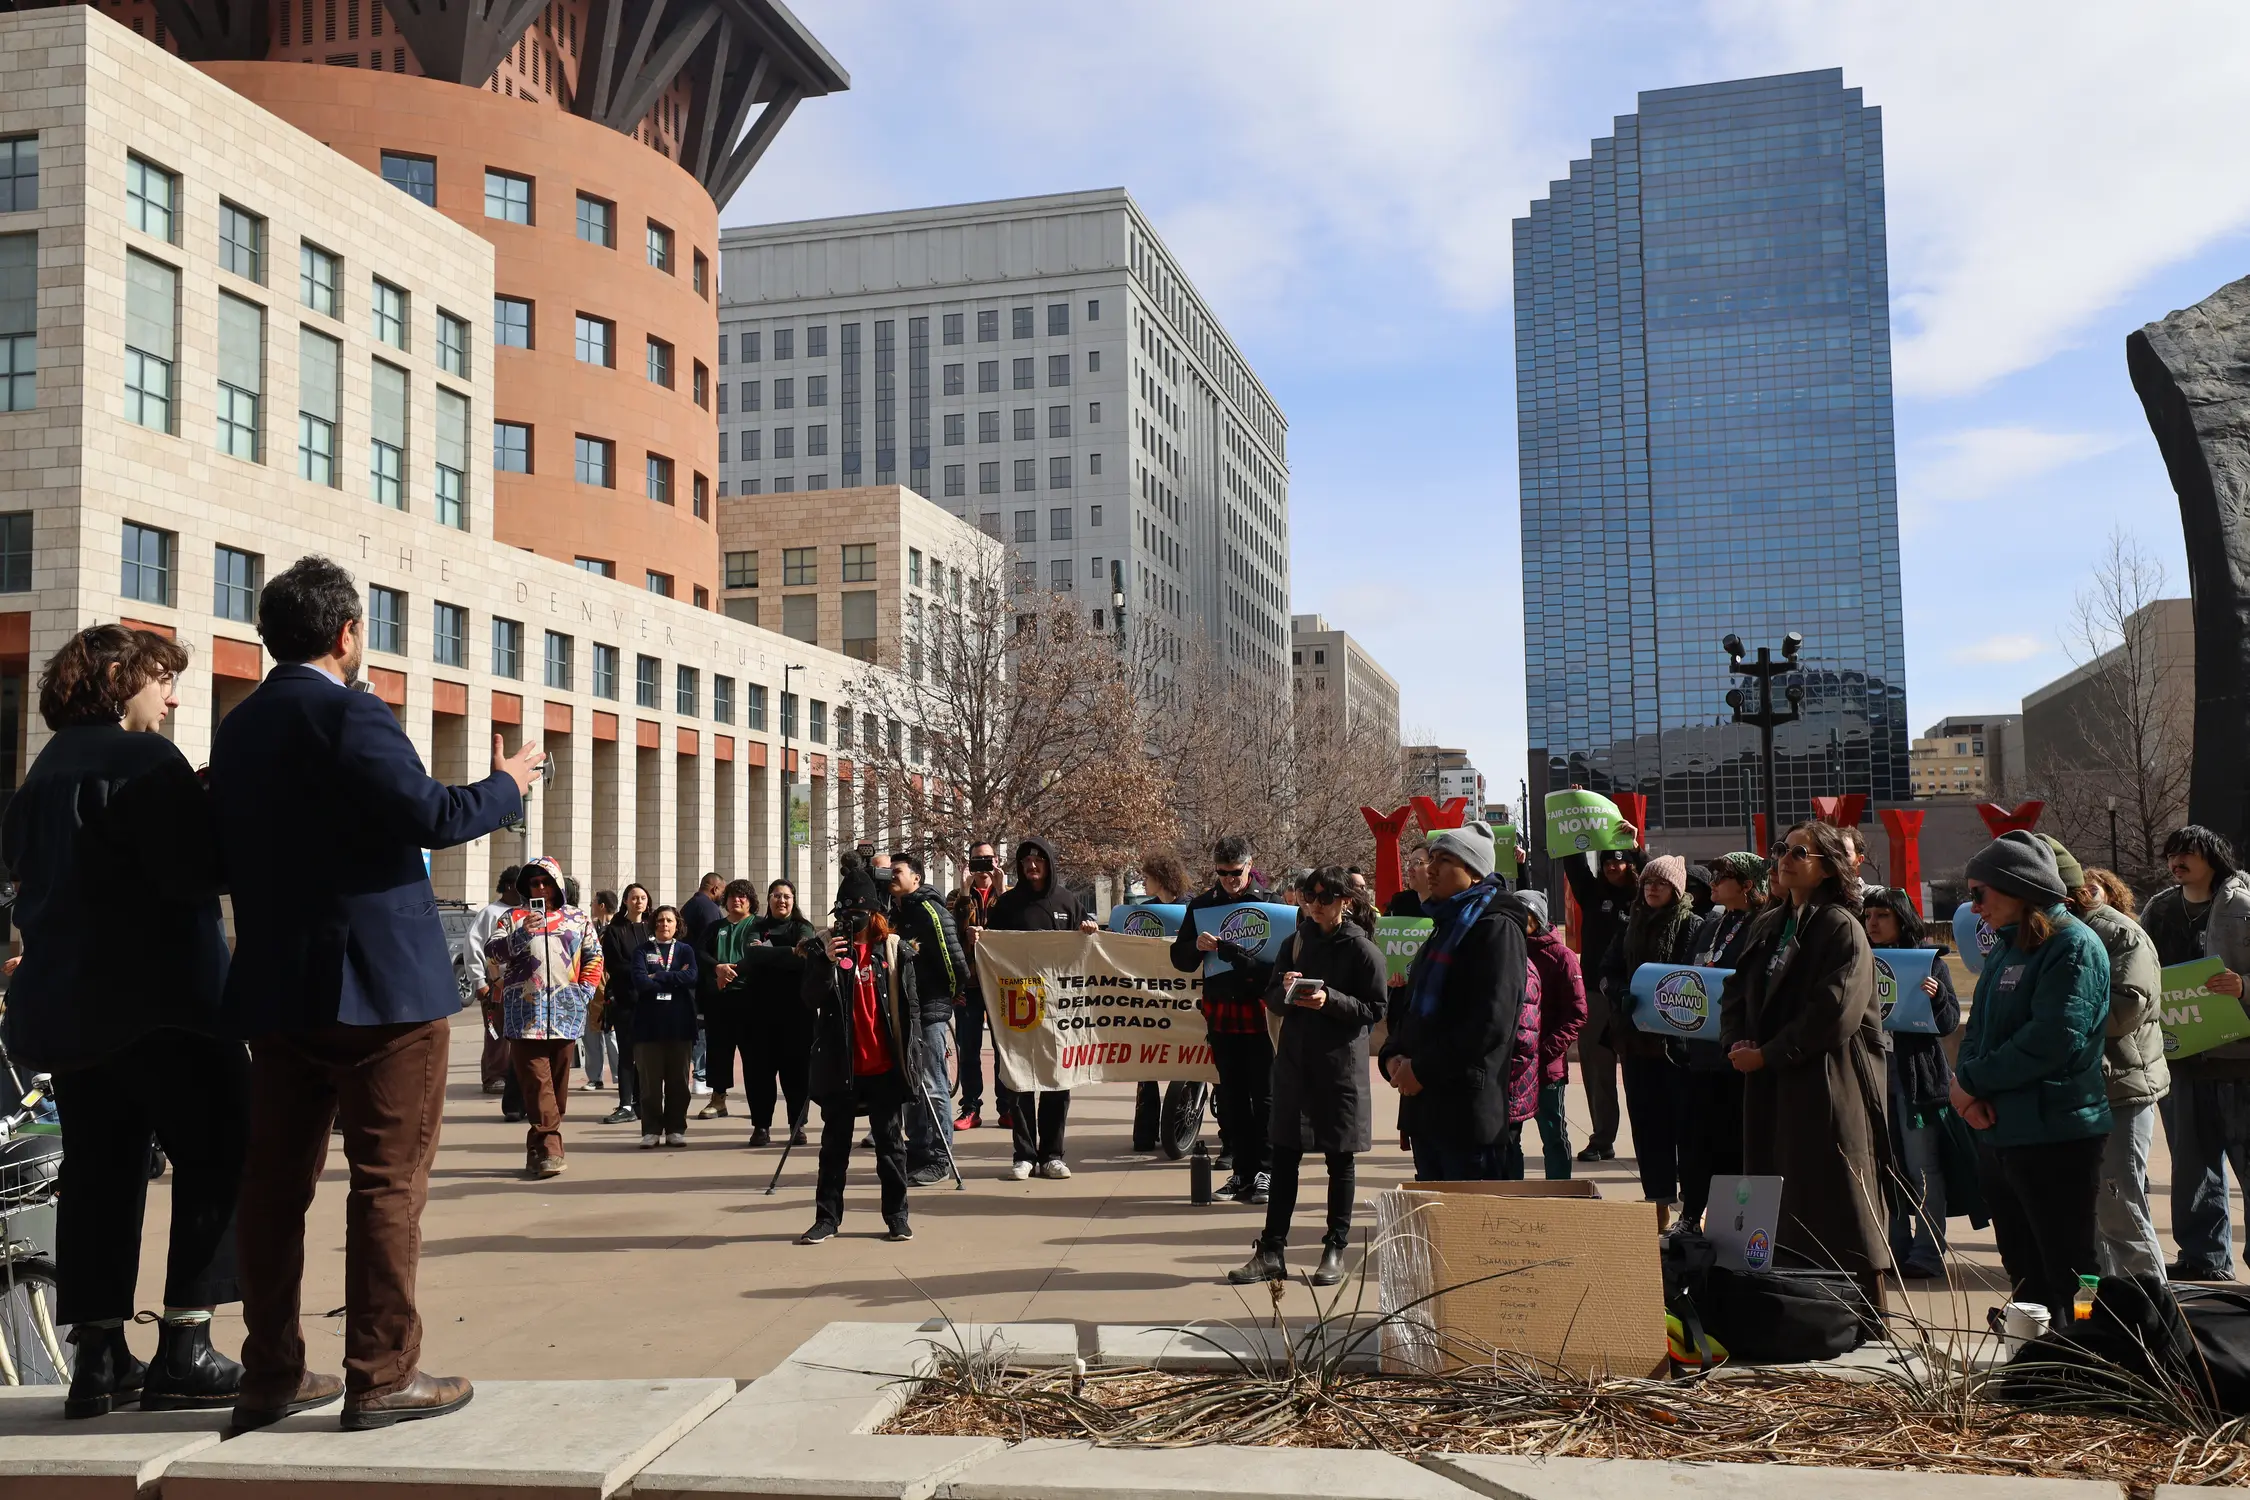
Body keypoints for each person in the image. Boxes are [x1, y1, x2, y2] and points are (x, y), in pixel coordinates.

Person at [212, 555, 540, 1430]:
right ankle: (382, 1373)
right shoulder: (352, 711)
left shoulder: (240, 730)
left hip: (280, 992)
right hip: (383, 994)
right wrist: (510, 782)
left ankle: (271, 1373)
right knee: (387, 1185)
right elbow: (435, 816)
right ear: (346, 633)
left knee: (276, 1185)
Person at [2, 626, 243, 1418]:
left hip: (70, 1014)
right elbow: (193, 873)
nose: (172, 697)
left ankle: (99, 1356)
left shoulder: (43, 772)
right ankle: (188, 1343)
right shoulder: (147, 761)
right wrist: (216, 810)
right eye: (162, 680)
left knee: (100, 1176)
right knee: (222, 1154)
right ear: (118, 677)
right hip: (164, 1006)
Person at [1718, 820, 1892, 1307]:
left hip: (1825, 1083)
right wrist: (1737, 1040)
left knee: (1834, 1195)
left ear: (1829, 867)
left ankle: (1859, 1310)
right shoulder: (1768, 923)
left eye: (1801, 853)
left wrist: (1769, 1053)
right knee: (1777, 1194)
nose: (1786, 859)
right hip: (1771, 1082)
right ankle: (1789, 1307)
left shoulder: (1841, 926)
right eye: (1782, 850)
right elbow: (1736, 989)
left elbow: (1835, 1011)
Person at [1952, 832, 2112, 1324]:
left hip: (2058, 1133)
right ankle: (2038, 1350)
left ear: (2017, 888)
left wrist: (1974, 1082)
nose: (1973, 906)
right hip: (2004, 1132)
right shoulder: (2006, 947)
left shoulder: (2074, 946)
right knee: (2022, 1263)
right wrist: (1968, 1095)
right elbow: (1977, 1029)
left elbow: (2052, 1039)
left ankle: (2089, 1349)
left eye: (1980, 893)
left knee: (2074, 1266)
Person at [1231, 867, 1385, 1285]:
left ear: (1345, 903)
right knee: (1283, 1157)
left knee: (1341, 1159)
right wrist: (1285, 988)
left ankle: (1335, 1246)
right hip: (1295, 1065)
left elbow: (1374, 1009)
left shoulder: (1362, 951)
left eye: (1325, 899)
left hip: (1339, 1069)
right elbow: (1272, 1000)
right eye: (1309, 898)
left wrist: (1329, 999)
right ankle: (1271, 1250)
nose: (1315, 906)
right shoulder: (1295, 942)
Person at [1380, 823, 1525, 1181]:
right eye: (1432, 859)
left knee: (1469, 1232)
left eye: (1445, 861)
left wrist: (1421, 1070)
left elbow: (1490, 1023)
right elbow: (1415, 1009)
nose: (1430, 869)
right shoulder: (1443, 926)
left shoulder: (1495, 928)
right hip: (1427, 1111)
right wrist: (1392, 1056)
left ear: (1475, 874)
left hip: (1466, 1116)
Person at [2139, 825, 2250, 1281]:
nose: (2176, 861)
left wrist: (2244, 987)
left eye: (2187, 853)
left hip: (2240, 1062)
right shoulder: (2160, 908)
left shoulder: (2243, 907)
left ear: (2214, 856)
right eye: (2171, 854)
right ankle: (2204, 1261)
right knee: (2192, 1168)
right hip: (2180, 1060)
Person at [2055, 853, 2168, 1280]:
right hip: (2079, 1091)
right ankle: (2108, 1314)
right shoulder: (2054, 934)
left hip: (2121, 1088)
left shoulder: (2121, 934)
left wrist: (2059, 1015)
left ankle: (2160, 1320)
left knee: (2121, 1208)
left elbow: (2126, 1010)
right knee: (2092, 1217)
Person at [796, 866, 920, 1244]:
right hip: (840, 1065)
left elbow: (911, 1008)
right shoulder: (824, 949)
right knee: (834, 1147)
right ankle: (827, 1218)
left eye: (857, 916)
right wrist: (825, 963)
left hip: (883, 1065)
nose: (849, 924)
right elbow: (809, 1000)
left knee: (890, 1146)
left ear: (874, 915)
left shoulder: (894, 950)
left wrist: (912, 1058)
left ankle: (896, 1216)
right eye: (843, 917)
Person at [1172, 835, 1279, 1202]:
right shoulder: (1201, 906)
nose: (1230, 879)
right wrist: (1194, 947)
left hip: (1259, 1012)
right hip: (1221, 1011)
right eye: (1222, 873)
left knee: (1264, 1097)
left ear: (1250, 866)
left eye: (1236, 872)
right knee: (1232, 1098)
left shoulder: (1272, 904)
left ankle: (1266, 1170)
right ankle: (1241, 1172)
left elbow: (1280, 967)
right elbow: (1180, 960)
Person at [485, 856, 603, 1178]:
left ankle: (536, 1149)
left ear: (557, 885)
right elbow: (493, 954)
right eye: (534, 882)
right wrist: (521, 934)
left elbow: (594, 956)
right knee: (538, 1086)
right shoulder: (512, 918)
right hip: (524, 1016)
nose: (540, 887)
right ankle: (551, 1149)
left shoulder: (577, 919)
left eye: (546, 882)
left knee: (557, 1093)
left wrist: (584, 992)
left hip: (566, 1013)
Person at [1862, 887, 1959, 1280]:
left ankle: (1928, 1253)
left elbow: (1950, 1020)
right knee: (1887, 1169)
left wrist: (1935, 1000)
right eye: (1868, 916)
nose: (1873, 923)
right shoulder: (1860, 958)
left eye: (1882, 916)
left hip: (1916, 1083)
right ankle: (1894, 1247)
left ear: (1902, 919)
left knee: (1924, 1170)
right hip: (1873, 1079)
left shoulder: (1927, 962)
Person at [988, 836, 1098, 1179]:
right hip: (1018, 1004)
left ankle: (1052, 1154)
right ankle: (1024, 1154)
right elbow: (992, 949)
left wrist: (1088, 930)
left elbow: (1086, 949)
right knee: (1018, 1081)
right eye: (1025, 863)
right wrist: (980, 938)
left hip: (1059, 1007)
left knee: (1056, 1079)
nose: (1032, 867)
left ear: (1049, 863)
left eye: (1038, 861)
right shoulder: (1007, 905)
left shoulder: (1067, 901)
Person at [1601, 855, 1702, 1222]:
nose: (1652, 888)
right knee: (1647, 1126)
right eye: (1647, 882)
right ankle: (1657, 1202)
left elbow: (1699, 979)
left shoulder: (1693, 925)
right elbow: (1607, 969)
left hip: (1676, 1047)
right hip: (1635, 1042)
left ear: (1676, 889)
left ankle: (1692, 1209)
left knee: (1685, 1129)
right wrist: (1618, 992)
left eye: (1660, 883)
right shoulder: (1630, 923)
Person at [1562, 840, 1645, 1161]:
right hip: (1597, 994)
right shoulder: (1593, 894)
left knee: (1644, 1071)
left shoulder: (1643, 896)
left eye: (1621, 861)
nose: (1613, 866)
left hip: (1636, 994)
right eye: (1608, 861)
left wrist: (1638, 846)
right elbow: (1575, 866)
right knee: (1598, 1070)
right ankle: (1602, 1138)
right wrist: (1575, 825)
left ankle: (1651, 1141)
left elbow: (1659, 877)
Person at [891, 851, 968, 1185]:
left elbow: (956, 963)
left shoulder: (930, 911)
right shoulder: (892, 912)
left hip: (930, 1012)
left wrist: (945, 996)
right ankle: (918, 1150)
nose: (892, 876)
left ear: (917, 878)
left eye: (898, 871)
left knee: (934, 1085)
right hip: (903, 1013)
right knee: (910, 1086)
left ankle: (940, 1156)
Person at [741, 879, 817, 1147]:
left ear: (793, 900)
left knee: (796, 1074)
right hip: (759, 1014)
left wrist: (769, 952)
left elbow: (804, 955)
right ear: (769, 899)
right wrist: (788, 953)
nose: (781, 901)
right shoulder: (756, 927)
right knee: (759, 1074)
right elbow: (751, 956)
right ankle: (761, 1126)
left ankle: (797, 1126)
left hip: (797, 1014)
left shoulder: (803, 927)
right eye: (776, 896)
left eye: (786, 896)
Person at [1518, 892, 1586, 1180]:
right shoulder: (1508, 951)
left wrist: (1545, 1051)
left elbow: (1578, 1014)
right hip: (1513, 1067)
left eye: (1527, 917)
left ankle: (1560, 1192)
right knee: (1509, 1138)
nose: (1521, 923)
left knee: (1553, 1133)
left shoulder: (1562, 957)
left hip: (1546, 1067)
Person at [1130, 849, 1193, 1152]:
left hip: (1183, 996)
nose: (1143, 882)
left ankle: (1181, 1116)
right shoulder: (1144, 911)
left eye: (1147, 877)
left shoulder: (1191, 909)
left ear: (1161, 878)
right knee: (1147, 1065)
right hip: (1151, 997)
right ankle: (1144, 1132)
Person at [630, 906, 699, 1147]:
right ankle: (650, 1130)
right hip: (648, 1027)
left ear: (677, 924)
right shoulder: (642, 951)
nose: (664, 925)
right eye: (659, 920)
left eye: (669, 920)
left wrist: (657, 976)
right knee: (649, 1084)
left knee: (678, 1083)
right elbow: (639, 981)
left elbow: (691, 977)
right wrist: (672, 979)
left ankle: (676, 1129)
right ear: (653, 924)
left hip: (680, 1025)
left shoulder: (685, 950)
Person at [948, 842, 1005, 1131]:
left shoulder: (1007, 894)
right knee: (968, 1048)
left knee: (1003, 1047)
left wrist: (1002, 889)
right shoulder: (957, 895)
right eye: (977, 860)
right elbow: (952, 930)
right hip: (968, 983)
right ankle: (971, 1107)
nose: (983, 865)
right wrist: (965, 892)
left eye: (988, 859)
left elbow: (1013, 926)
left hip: (999, 983)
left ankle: (1006, 1107)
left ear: (997, 860)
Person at [696, 880, 760, 1124]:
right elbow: (700, 952)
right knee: (718, 1051)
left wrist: (735, 970)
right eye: (732, 896)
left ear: (751, 900)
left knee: (753, 1055)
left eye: (743, 896)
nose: (737, 900)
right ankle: (718, 1099)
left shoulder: (758, 925)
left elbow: (762, 955)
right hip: (720, 999)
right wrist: (717, 967)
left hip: (750, 999)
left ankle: (757, 1102)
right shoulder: (715, 927)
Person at [597, 884, 653, 1126]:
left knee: (646, 1054)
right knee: (627, 1054)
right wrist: (643, 973)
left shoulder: (653, 927)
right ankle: (626, 1104)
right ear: (625, 902)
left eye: (642, 898)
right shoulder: (614, 931)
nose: (639, 902)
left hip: (651, 1001)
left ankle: (643, 1102)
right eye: (634, 898)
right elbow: (615, 966)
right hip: (625, 1000)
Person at [466, 867, 520, 1099]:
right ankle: (495, 1076)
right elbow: (473, 947)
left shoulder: (526, 912)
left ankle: (516, 1077)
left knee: (520, 1033)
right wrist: (480, 982)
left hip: (522, 983)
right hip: (495, 983)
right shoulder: (490, 913)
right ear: (509, 886)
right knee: (495, 1032)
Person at [1497, 925, 1545, 1182]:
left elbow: (1523, 1040)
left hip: (1512, 1083)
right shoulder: (1503, 964)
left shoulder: (1521, 970)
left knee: (1509, 1147)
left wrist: (1496, 1075)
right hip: (1501, 1083)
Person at [582, 890, 620, 1092]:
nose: (591, 906)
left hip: (609, 988)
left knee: (612, 1035)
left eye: (594, 903)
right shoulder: (592, 928)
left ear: (602, 906)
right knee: (591, 1035)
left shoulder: (616, 929)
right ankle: (594, 1077)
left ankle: (619, 1075)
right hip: (591, 988)